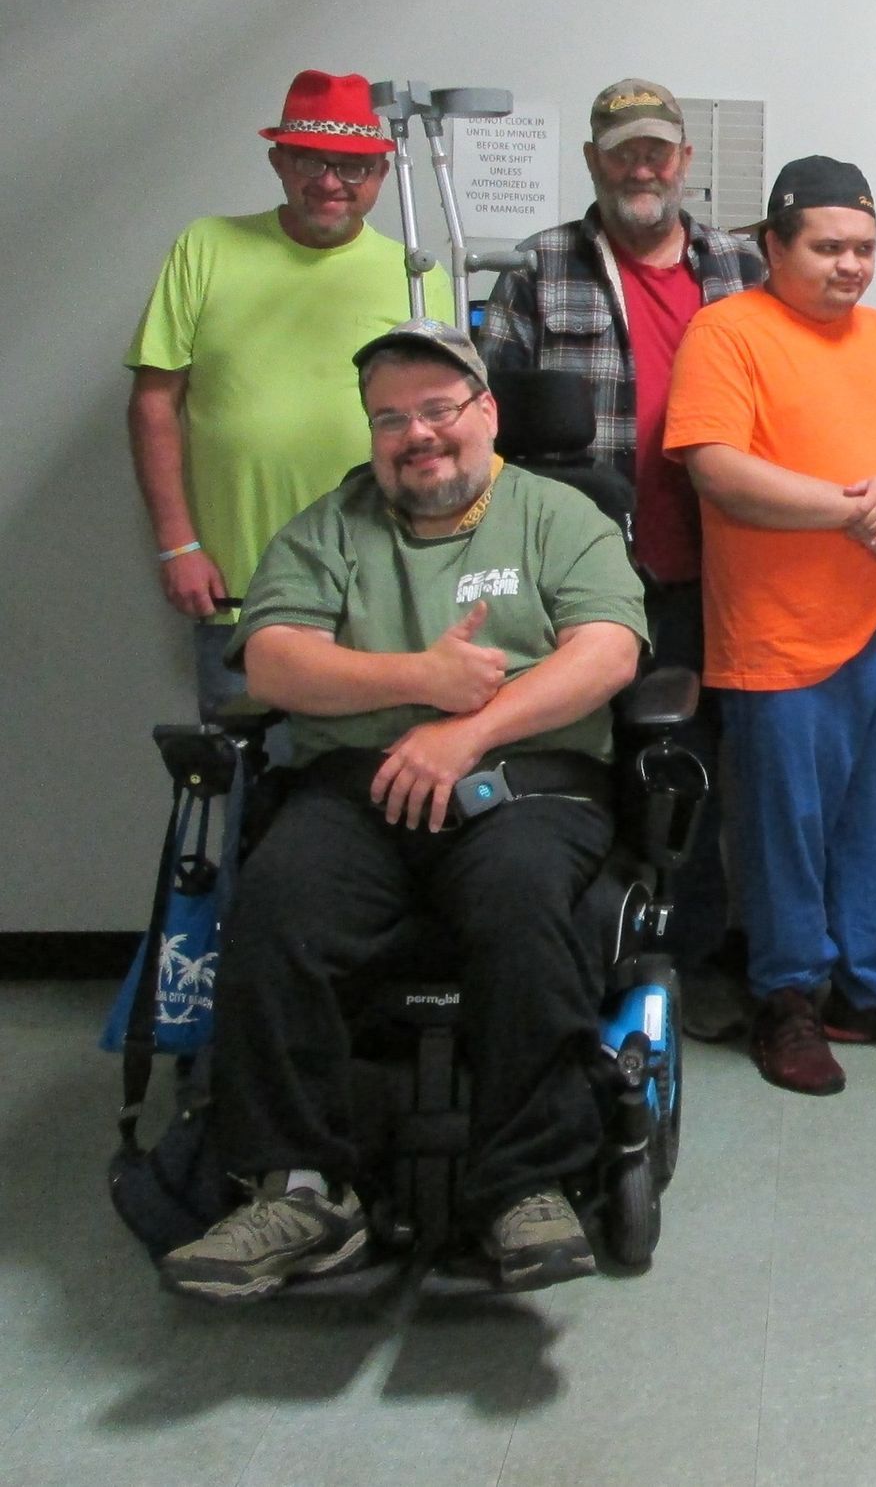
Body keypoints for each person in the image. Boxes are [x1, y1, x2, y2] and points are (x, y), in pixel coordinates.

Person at [158, 320, 650, 1301]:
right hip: (359, 782)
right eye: (391, 418)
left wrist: (463, 730)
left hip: (526, 780)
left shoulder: (559, 513)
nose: (417, 434)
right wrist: (417, 677)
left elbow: (608, 649)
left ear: (487, 414)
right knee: (281, 896)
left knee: (519, 896)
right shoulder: (329, 525)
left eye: (437, 409)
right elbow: (272, 658)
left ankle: (526, 1185)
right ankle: (303, 1190)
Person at [664, 155, 876, 1097]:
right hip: (776, 631)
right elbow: (716, 466)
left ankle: (875, 988)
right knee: (783, 832)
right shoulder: (727, 333)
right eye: (829, 247)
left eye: (865, 248)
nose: (851, 265)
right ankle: (789, 1001)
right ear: (773, 245)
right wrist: (856, 509)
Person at [477, 77, 765, 1041]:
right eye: (621, 151)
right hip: (584, 577)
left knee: (696, 773)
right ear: (595, 161)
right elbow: (486, 428)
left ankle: (688, 958)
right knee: (578, 764)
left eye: (658, 149)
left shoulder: (743, 264)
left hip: (720, 569)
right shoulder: (538, 269)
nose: (642, 167)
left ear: (684, 160)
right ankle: (574, 957)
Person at [127, 70, 451, 721]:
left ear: (382, 175)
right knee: (250, 799)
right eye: (310, 159)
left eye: (353, 165)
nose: (331, 181)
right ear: (279, 160)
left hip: (379, 595)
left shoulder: (418, 278)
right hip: (243, 598)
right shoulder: (206, 249)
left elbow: (445, 432)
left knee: (371, 800)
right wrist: (177, 543)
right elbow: (153, 403)